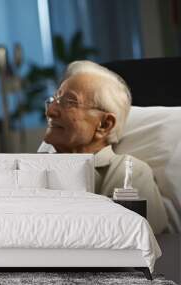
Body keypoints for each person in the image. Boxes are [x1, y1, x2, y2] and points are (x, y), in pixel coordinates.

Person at [38, 60, 168, 234]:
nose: (50, 111)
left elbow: (141, 242)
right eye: (54, 100)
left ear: (104, 125)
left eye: (69, 102)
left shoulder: (130, 173)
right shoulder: (36, 167)